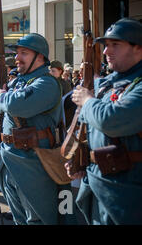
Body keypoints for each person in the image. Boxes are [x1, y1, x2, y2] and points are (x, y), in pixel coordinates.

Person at [0, 33, 74, 225]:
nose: (17, 58)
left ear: (40, 57)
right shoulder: (19, 81)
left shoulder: (47, 83)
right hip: (10, 160)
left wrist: (2, 98)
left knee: (37, 219)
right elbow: (2, 115)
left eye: (23, 53)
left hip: (34, 163)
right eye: (17, 53)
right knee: (20, 219)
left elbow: (14, 105)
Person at [69, 18, 142, 225]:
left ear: (138, 48)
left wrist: (88, 101)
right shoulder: (109, 82)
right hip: (97, 179)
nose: (105, 51)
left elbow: (112, 120)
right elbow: (87, 122)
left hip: (127, 189)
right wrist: (81, 158)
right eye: (106, 45)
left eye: (115, 45)